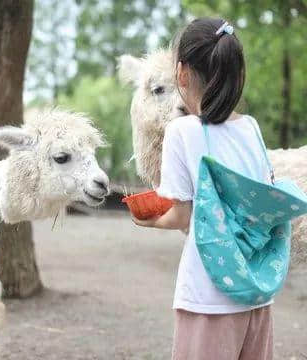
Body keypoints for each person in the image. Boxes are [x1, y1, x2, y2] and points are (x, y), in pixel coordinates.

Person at [132, 18, 274, 360]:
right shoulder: (251, 128)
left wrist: (149, 220)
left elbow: (180, 214)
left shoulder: (182, 132)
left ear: (182, 75)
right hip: (258, 294)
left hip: (210, 298)